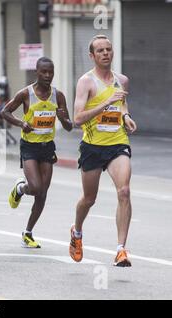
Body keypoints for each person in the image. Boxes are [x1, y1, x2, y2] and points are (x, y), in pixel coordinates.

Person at [69, 35, 136, 267]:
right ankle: (77, 232)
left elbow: (122, 103)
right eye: (100, 50)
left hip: (117, 142)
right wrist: (105, 104)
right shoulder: (86, 82)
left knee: (124, 191)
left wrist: (126, 116)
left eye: (108, 49)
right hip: (93, 147)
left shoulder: (122, 80)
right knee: (89, 199)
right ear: (92, 56)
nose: (105, 53)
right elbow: (77, 119)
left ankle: (120, 250)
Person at [3, 57, 73, 248]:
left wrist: (64, 119)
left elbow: (68, 127)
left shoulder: (58, 96)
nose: (48, 75)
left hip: (47, 147)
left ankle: (28, 232)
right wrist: (21, 123)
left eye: (51, 72)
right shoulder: (25, 94)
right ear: (37, 72)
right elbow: (5, 112)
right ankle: (20, 188)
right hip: (29, 147)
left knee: (42, 193)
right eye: (44, 72)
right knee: (34, 187)